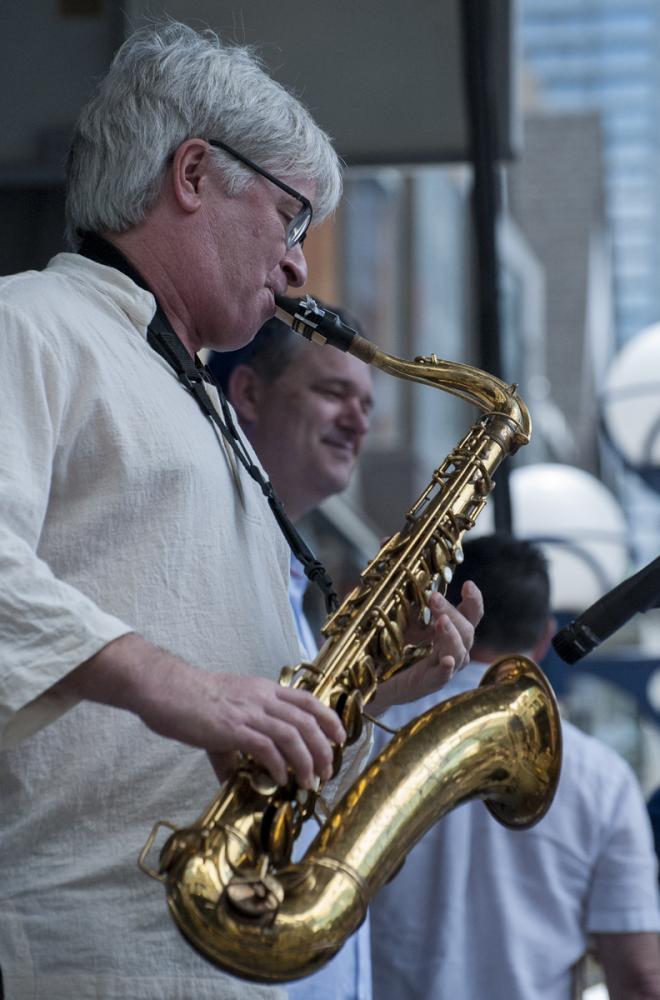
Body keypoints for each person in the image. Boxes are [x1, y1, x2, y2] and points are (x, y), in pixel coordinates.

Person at [0, 21, 481, 1000]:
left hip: (216, 952)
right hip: (89, 954)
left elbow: (248, 717)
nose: (302, 266)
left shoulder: (204, 403)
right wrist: (188, 690)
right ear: (192, 175)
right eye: (292, 218)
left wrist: (373, 693)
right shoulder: (32, 324)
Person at [369, 535, 660, 1000]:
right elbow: (641, 978)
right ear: (546, 636)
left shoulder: (370, 730)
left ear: (442, 616)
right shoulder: (604, 777)